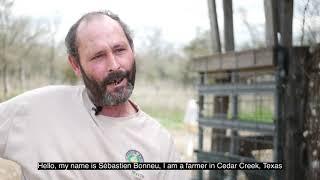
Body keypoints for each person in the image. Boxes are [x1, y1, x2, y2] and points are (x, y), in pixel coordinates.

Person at [0, 10, 186, 180]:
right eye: (98, 56)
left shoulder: (160, 143)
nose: (114, 65)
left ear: (132, 50)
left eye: (120, 50)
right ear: (75, 65)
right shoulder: (36, 109)